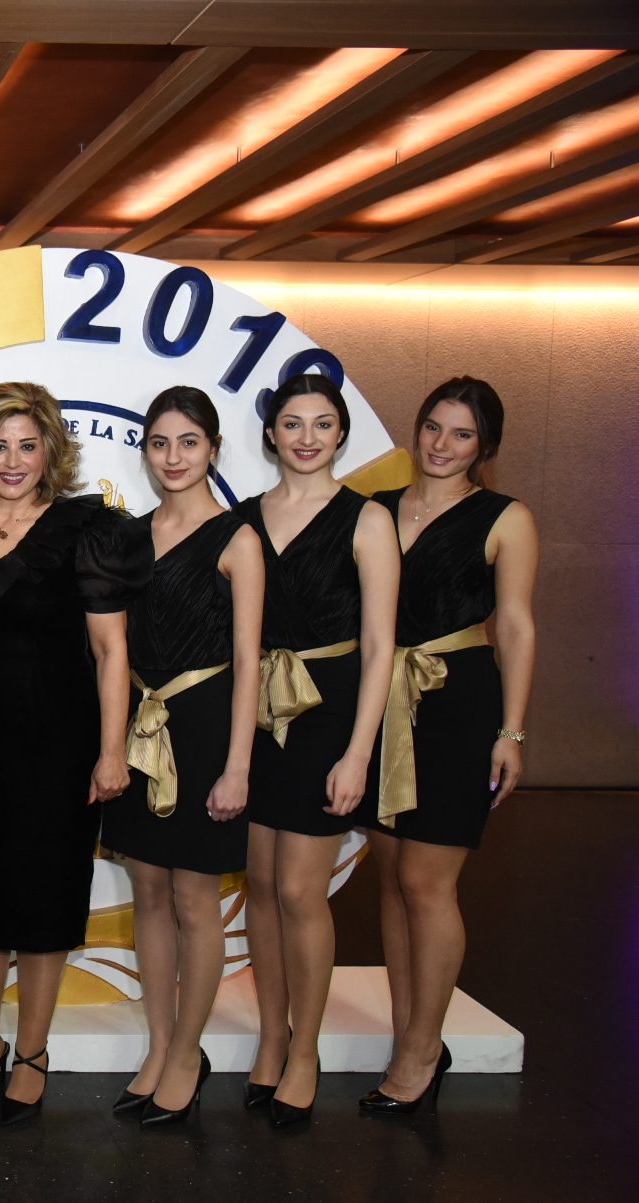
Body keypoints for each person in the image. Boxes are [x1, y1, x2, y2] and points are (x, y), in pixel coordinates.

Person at [0, 382, 149, 1127]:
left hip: (58, 746)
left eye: (27, 445)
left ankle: (33, 1053)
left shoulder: (87, 529)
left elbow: (111, 650)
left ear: (50, 451)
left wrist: (111, 751)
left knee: (45, 903)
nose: (12, 461)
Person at [355, 378, 536, 1115]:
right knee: (392, 881)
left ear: (484, 445)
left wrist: (511, 732)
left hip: (457, 705)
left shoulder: (505, 518)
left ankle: (423, 1052)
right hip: (379, 701)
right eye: (433, 425)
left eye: (461, 434)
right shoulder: (375, 508)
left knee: (427, 884)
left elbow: (515, 625)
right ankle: (410, 1032)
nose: (440, 444)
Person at [233, 373, 398, 1129]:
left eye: (322, 423)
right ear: (270, 433)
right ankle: (272, 1038)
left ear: (341, 434)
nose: (306, 437)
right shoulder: (242, 517)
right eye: (292, 423)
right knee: (262, 886)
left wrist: (358, 753)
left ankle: (306, 1051)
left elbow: (380, 648)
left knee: (302, 890)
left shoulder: (367, 519)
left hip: (328, 717)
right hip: (254, 715)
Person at [99, 387, 264, 1125]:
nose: (173, 457)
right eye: (160, 443)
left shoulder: (238, 539)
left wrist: (238, 766)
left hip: (204, 729)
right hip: (140, 724)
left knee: (197, 899)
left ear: (213, 449)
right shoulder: (128, 537)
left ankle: (188, 1053)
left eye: (188, 442)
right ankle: (160, 1045)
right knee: (149, 895)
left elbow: (250, 660)